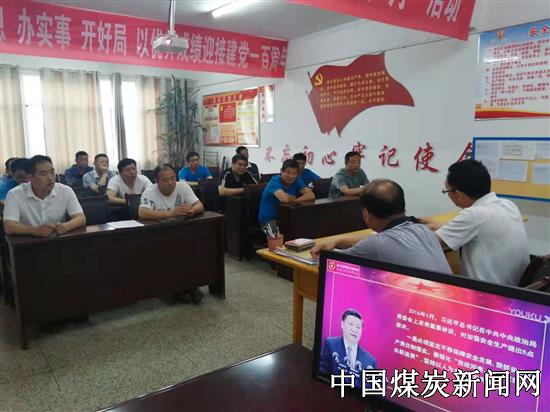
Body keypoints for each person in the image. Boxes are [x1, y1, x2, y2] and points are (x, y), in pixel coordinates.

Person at [420, 159, 529, 286]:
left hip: (487, 293)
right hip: (516, 288)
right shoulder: (508, 205)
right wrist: (442, 227)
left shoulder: (474, 214)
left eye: (447, 191)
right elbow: (481, 230)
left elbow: (430, 243)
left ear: (458, 194)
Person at [312, 179, 452, 274]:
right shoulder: (424, 230)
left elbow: (329, 265)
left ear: (366, 214)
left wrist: (318, 257)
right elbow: (381, 240)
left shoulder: (375, 244)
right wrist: (338, 240)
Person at [139, 164, 205, 304]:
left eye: (172, 178)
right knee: (176, 252)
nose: (170, 182)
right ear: (157, 181)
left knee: (195, 248)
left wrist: (192, 210)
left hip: (181, 231)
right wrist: (170, 213)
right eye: (165, 180)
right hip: (158, 233)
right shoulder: (150, 191)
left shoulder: (183, 186)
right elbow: (142, 212)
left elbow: (200, 205)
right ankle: (187, 288)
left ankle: (184, 288)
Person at [3, 155, 86, 237]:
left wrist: (64, 227)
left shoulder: (65, 190)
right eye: (44, 174)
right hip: (27, 241)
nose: (50, 178)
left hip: (57, 239)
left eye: (52, 172)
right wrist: (34, 230)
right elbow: (9, 227)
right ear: (30, 177)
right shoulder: (15, 194)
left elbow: (81, 218)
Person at [319, 309, 376, 386]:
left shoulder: (370, 361)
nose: (354, 330)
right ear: (342, 324)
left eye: (358, 327)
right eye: (351, 324)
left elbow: (370, 388)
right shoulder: (331, 344)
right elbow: (322, 373)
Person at [258, 159, 315, 229]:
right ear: (281, 171)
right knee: (281, 234)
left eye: (294, 173)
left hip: (286, 216)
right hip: (269, 220)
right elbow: (285, 199)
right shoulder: (275, 181)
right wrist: (294, 198)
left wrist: (294, 200)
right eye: (288, 172)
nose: (291, 176)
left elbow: (311, 195)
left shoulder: (296, 180)